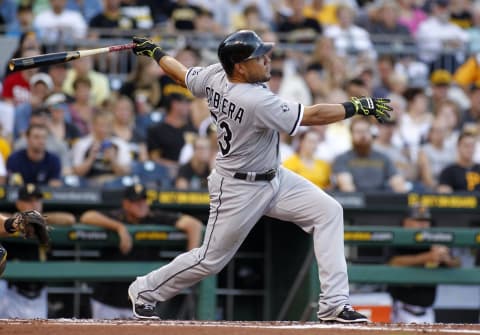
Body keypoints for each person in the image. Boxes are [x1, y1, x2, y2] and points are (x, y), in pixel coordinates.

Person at [126, 30, 392, 322]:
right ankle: (144, 291)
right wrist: (355, 106)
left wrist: (156, 53)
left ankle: (333, 304)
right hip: (238, 187)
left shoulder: (218, 73)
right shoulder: (252, 99)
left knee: (328, 211)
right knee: (209, 260)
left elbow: (183, 75)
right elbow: (312, 116)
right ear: (240, 65)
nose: (267, 59)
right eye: (259, 56)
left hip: (273, 177)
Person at [79, 183, 203, 319]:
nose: (141, 204)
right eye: (136, 201)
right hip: (108, 298)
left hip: (142, 304)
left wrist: (189, 267)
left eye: (143, 199)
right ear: (126, 203)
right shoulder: (117, 216)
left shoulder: (155, 217)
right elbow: (87, 216)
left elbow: (194, 225)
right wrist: (118, 227)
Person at [0, 183, 73, 318]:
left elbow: (70, 219)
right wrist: (18, 221)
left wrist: (38, 219)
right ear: (18, 203)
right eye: (28, 200)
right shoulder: (10, 220)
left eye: (37, 200)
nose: (34, 204)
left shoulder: (46, 221)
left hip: (39, 295)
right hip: (11, 295)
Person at [387, 204, 460, 323]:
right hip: (401, 310)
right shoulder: (398, 239)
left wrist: (447, 258)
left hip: (428, 312)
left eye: (426, 221)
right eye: (418, 220)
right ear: (406, 222)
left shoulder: (435, 240)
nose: (423, 225)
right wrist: (427, 257)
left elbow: (457, 263)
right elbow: (393, 262)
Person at [333, 116, 408, 193]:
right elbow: (346, 187)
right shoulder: (342, 159)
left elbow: (398, 183)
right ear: (351, 134)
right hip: (355, 201)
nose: (363, 136)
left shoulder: (383, 158)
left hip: (380, 200)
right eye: (358, 132)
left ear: (371, 134)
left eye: (366, 131)